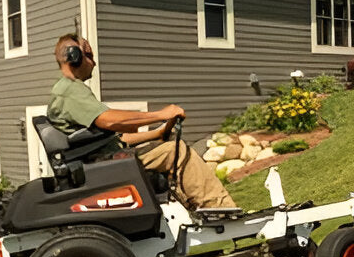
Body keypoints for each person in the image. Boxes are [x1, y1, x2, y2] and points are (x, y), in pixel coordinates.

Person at [47, 33, 237, 210]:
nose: (94, 63)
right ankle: (222, 209)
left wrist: (157, 133)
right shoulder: (69, 90)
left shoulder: (68, 91)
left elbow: (115, 138)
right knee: (176, 152)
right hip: (102, 165)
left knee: (168, 145)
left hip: (102, 158)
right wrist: (160, 114)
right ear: (74, 56)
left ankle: (195, 208)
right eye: (89, 56)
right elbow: (108, 121)